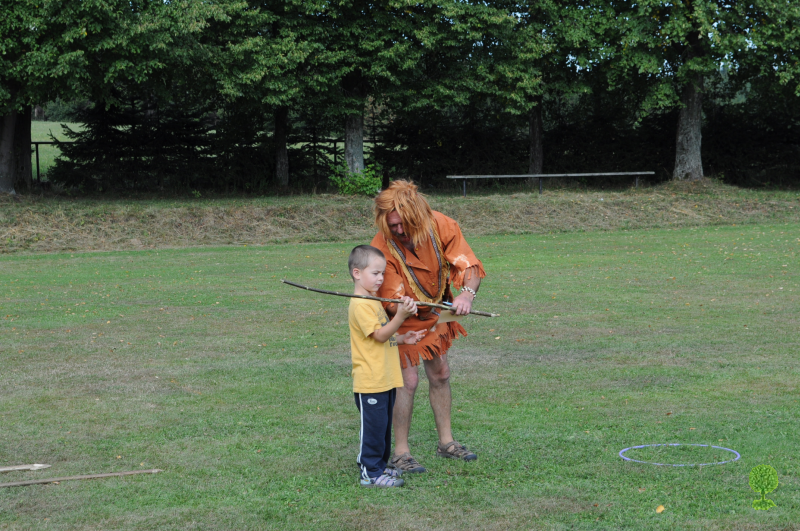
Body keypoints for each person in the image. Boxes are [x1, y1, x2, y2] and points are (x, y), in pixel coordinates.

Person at [370, 180, 486, 474]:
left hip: (436, 311)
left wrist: (466, 295)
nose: (399, 230)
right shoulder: (381, 246)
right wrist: (403, 310)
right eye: (393, 225)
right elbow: (392, 301)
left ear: (418, 216)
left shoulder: (442, 225)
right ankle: (400, 453)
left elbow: (469, 266)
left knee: (441, 373)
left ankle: (446, 443)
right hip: (401, 317)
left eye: (404, 224)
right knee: (407, 381)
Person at [347, 244, 427, 488]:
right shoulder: (360, 304)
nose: (381, 278)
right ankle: (370, 473)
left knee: (383, 427)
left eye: (382, 273)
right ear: (357, 273)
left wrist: (402, 338)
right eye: (375, 273)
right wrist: (400, 317)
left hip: (385, 378)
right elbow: (379, 336)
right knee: (373, 430)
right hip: (371, 380)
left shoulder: (373, 300)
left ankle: (379, 466)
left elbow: (383, 335)